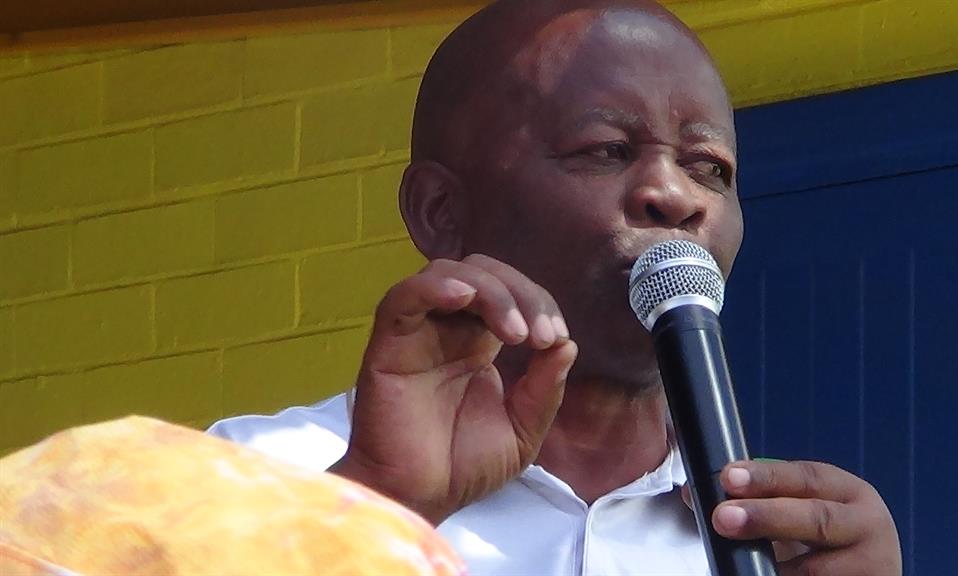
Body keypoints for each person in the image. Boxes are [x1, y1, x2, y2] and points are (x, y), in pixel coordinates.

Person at [210, 0, 902, 574]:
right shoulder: (258, 476)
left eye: (709, 168)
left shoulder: (779, 548)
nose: (675, 195)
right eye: (607, 150)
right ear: (441, 212)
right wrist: (378, 501)